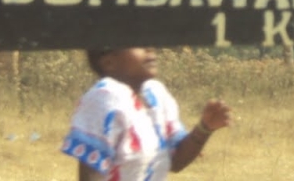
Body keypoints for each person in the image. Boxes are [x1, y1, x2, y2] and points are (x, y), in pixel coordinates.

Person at [61, 47, 231, 180]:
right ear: (109, 63)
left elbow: (176, 162)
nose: (149, 48)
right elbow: (90, 173)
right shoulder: (104, 98)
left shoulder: (155, 94)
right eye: (137, 42)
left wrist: (205, 128)